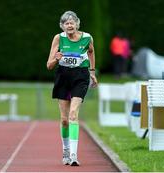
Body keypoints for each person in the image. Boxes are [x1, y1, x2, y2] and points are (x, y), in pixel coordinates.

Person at [46, 11, 97, 166]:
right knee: (64, 120)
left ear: (77, 24)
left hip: (80, 77)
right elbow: (49, 65)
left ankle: (74, 155)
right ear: (62, 26)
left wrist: (92, 72)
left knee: (73, 114)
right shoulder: (58, 38)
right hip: (63, 77)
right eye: (66, 23)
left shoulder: (87, 37)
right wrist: (56, 58)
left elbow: (91, 52)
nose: (69, 25)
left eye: (72, 22)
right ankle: (66, 150)